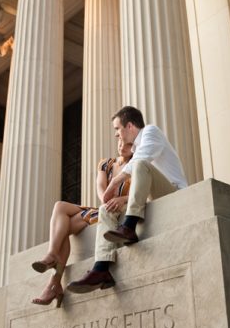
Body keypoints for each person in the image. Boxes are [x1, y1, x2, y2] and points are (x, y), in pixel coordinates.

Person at [67, 105, 187, 293]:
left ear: (129, 126)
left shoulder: (150, 132)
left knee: (139, 163)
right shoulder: (137, 149)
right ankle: (101, 269)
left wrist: (115, 181)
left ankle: (129, 226)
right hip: (150, 199)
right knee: (106, 209)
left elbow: (142, 158)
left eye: (117, 129)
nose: (117, 135)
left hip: (174, 194)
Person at [30, 140, 133, 306]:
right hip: (103, 209)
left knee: (63, 226)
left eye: (127, 143)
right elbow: (101, 188)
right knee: (59, 207)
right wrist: (105, 198)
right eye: (119, 140)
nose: (121, 144)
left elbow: (137, 194)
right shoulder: (106, 164)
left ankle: (54, 281)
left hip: (116, 213)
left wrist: (121, 199)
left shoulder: (135, 167)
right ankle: (52, 259)